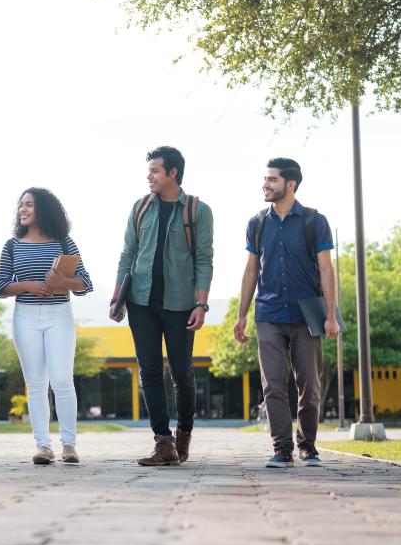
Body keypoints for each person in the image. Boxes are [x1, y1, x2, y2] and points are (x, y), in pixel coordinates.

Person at [110, 146, 214, 467]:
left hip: (181, 304)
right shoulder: (140, 208)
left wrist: (201, 304)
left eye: (155, 170)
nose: (149, 176)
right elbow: (128, 254)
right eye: (149, 170)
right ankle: (163, 442)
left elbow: (204, 259)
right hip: (141, 302)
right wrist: (117, 298)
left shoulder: (197, 210)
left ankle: (183, 435)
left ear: (173, 173)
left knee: (182, 373)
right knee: (150, 371)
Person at [233, 158, 339, 468]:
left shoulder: (313, 221)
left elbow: (325, 269)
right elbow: (251, 270)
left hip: (307, 314)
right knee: (273, 385)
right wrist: (241, 315)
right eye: (265, 180)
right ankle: (281, 448)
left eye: (272, 180)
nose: (265, 185)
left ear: (290, 184)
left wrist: (330, 315)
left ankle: (307, 445)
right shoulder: (257, 223)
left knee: (309, 384)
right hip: (268, 313)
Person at [0, 187, 93, 465]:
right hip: (25, 316)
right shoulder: (12, 245)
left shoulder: (64, 243)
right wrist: (28, 286)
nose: (22, 209)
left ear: (44, 210)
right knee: (36, 384)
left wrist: (64, 284)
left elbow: (86, 283)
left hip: (59, 315)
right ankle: (43, 446)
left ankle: (69, 445)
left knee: (62, 379)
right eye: (21, 205)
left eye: (29, 205)